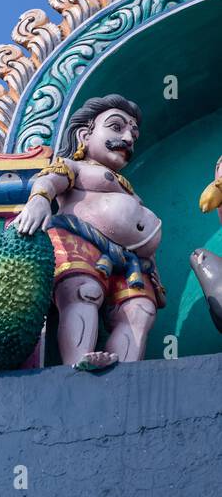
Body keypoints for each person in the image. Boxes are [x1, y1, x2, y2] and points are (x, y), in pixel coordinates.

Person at [13, 94, 164, 370]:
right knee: (85, 292)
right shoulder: (75, 167)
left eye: (133, 133)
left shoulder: (124, 185)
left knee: (140, 311)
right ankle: (79, 357)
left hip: (129, 261)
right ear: (84, 135)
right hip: (80, 240)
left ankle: (127, 370)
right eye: (117, 127)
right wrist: (38, 201)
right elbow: (50, 180)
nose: (128, 139)